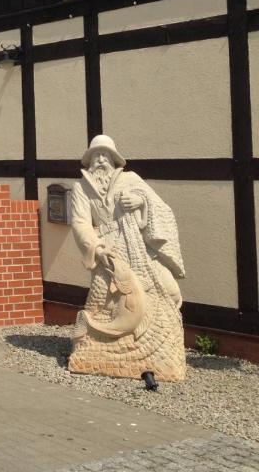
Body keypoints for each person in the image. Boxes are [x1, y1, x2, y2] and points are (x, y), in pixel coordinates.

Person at [68, 135, 187, 381]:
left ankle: (162, 341)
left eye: (105, 155)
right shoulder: (81, 188)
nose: (100, 160)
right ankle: (97, 341)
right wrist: (97, 249)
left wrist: (140, 203)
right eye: (96, 155)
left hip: (138, 246)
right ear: (89, 160)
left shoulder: (130, 179)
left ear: (113, 158)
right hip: (107, 249)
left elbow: (161, 208)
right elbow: (80, 223)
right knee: (106, 301)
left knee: (171, 290)